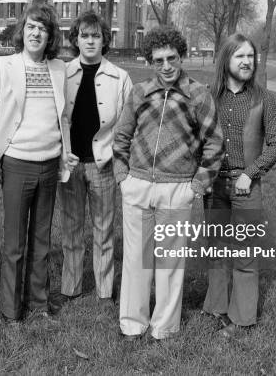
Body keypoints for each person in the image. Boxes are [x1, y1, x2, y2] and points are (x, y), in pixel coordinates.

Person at [0, 4, 78, 323]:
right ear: (22, 31)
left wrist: (65, 151)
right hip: (16, 166)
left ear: (50, 35)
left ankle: (39, 304)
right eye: (30, 27)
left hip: (49, 167)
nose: (35, 33)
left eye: (42, 28)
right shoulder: (3, 65)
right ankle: (11, 310)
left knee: (41, 241)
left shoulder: (59, 68)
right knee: (15, 244)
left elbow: (63, 118)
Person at [113, 27, 224, 341]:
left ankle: (165, 327)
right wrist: (123, 177)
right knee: (136, 259)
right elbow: (121, 137)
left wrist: (197, 186)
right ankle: (132, 324)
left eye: (172, 58)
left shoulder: (198, 95)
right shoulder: (139, 93)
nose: (166, 66)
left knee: (170, 263)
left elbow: (214, 145)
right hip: (136, 186)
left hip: (177, 189)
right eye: (158, 59)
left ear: (181, 56)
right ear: (150, 60)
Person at [202, 33, 276, 338]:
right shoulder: (209, 97)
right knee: (216, 250)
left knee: (246, 253)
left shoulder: (264, 99)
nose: (247, 62)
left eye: (250, 56)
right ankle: (216, 307)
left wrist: (251, 173)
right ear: (226, 59)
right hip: (214, 187)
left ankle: (242, 318)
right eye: (240, 56)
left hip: (247, 187)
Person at [57, 10, 132, 303]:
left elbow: (128, 125)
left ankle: (104, 290)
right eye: (84, 35)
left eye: (96, 36)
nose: (90, 41)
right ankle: (70, 287)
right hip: (70, 165)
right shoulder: (62, 72)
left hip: (103, 165)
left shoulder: (120, 77)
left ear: (104, 40)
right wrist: (62, 154)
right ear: (75, 39)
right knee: (71, 228)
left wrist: (121, 161)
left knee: (104, 230)